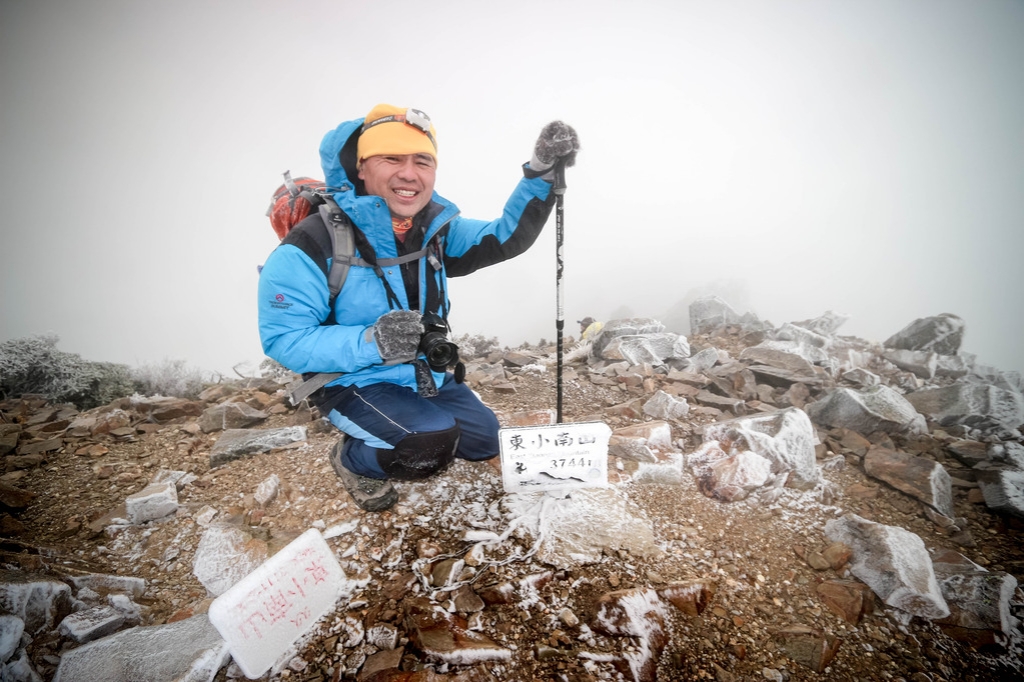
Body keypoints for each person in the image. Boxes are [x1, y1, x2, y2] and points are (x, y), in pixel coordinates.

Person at [258, 104, 579, 511]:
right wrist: (373, 342)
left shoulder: (435, 232)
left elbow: (505, 236)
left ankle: (413, 422)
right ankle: (352, 460)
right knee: (427, 446)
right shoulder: (311, 246)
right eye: (391, 158)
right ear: (360, 168)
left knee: (483, 442)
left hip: (425, 371)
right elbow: (284, 339)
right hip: (353, 380)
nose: (409, 173)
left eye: (422, 161)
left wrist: (543, 171)